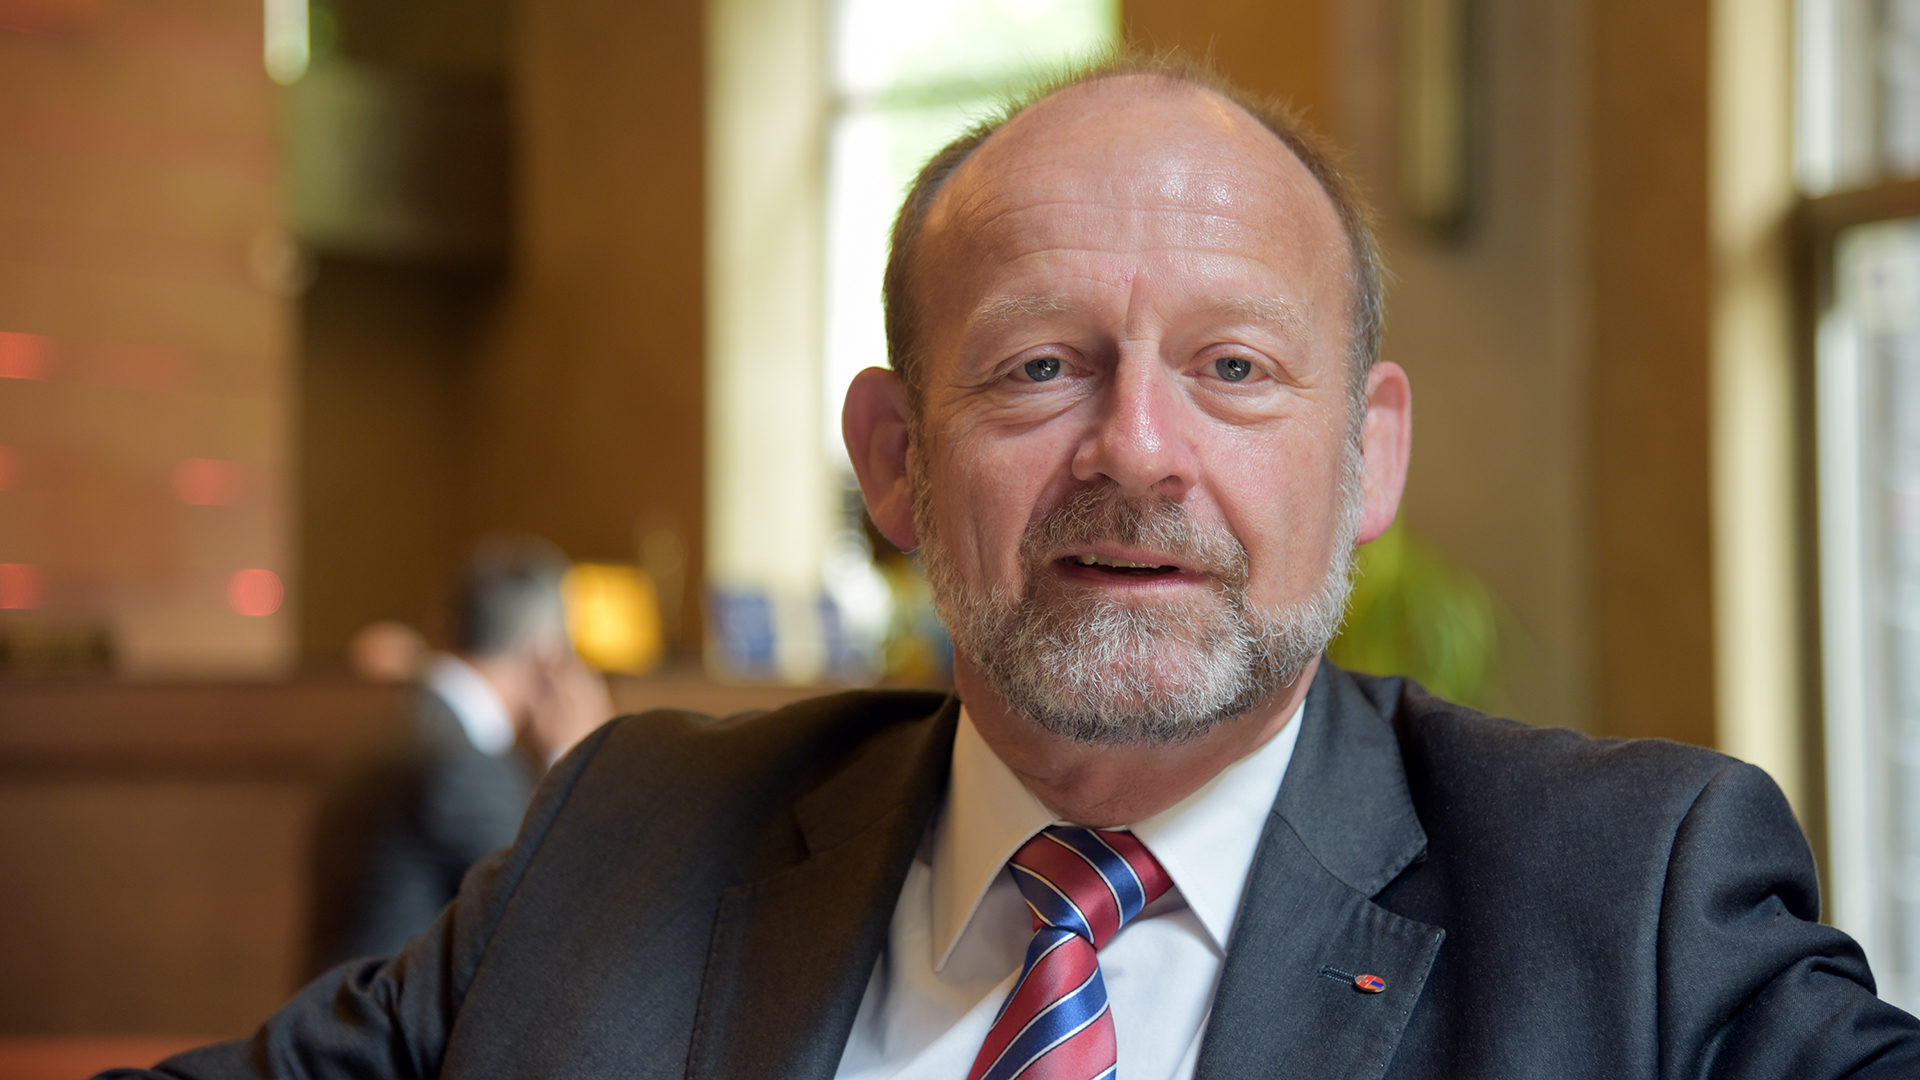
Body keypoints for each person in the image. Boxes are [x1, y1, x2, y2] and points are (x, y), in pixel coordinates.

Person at [107, 55, 1918, 1079]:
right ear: (895, 459)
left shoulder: (1633, 913)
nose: (1137, 449)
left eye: (1233, 370)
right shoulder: (628, 843)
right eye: (1042, 366)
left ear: (1367, 459)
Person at [307, 536, 613, 971]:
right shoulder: (460, 764)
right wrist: (576, 761)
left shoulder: (402, 727)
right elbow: (551, 915)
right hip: (389, 1036)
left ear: (444, 626)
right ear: (547, 654)